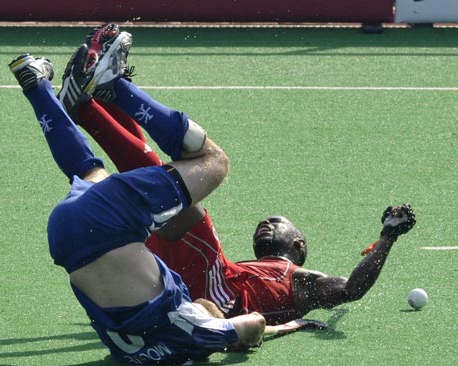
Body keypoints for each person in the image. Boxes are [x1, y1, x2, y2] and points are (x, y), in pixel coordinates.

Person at [59, 24, 417, 326]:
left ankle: (98, 100)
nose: (267, 224)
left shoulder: (303, 284)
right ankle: (94, 100)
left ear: (299, 245)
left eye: (278, 223)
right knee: (146, 185)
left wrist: (388, 236)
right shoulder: (255, 269)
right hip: (181, 280)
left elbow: (352, 288)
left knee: (176, 183)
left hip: (210, 289)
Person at [8, 26, 266, 366]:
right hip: (67, 238)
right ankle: (36, 84)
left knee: (214, 162)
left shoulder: (199, 330)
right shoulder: (136, 352)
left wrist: (243, 337)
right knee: (90, 173)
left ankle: (114, 86)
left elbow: (254, 324)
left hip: (109, 226)